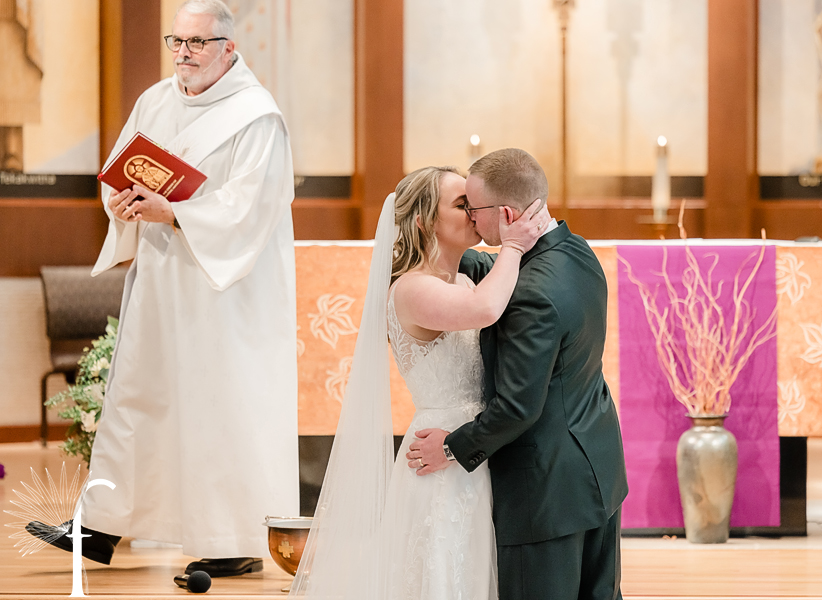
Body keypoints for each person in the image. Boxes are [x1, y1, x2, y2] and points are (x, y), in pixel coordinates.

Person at [27, 0, 298, 580]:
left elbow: (250, 209)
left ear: (230, 47)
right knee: (136, 397)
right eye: (177, 42)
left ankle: (231, 539)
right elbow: (119, 172)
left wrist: (174, 213)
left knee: (215, 406)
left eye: (197, 43)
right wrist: (122, 204)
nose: (184, 54)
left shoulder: (257, 118)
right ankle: (98, 527)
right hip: (160, 278)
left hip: (223, 293)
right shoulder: (154, 100)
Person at [289, 166, 550, 599]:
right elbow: (485, 310)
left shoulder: (464, 279)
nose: (473, 213)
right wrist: (516, 245)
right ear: (424, 220)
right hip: (439, 457)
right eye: (461, 204)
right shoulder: (411, 289)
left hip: (471, 447)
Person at [409, 148, 629, 600]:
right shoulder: (575, 250)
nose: (470, 216)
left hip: (544, 490)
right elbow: (501, 271)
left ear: (506, 213)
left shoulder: (530, 297)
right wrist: (446, 258)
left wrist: (450, 448)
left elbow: (517, 406)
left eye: (473, 208)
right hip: (597, 469)